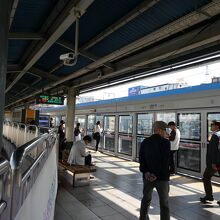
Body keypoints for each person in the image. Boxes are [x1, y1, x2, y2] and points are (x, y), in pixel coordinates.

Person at [139, 121, 171, 220]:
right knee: (164, 202)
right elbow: (165, 161)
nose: (166, 132)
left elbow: (141, 158)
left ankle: (143, 218)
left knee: (146, 199)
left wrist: (146, 172)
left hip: (147, 177)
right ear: (159, 130)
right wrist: (155, 174)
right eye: (165, 130)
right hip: (162, 178)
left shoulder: (145, 141)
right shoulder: (165, 142)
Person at [200, 120, 220, 205]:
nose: (211, 126)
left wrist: (213, 163)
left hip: (215, 162)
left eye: (212, 125)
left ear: (217, 126)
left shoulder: (215, 136)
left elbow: (213, 151)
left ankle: (209, 196)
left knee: (206, 177)